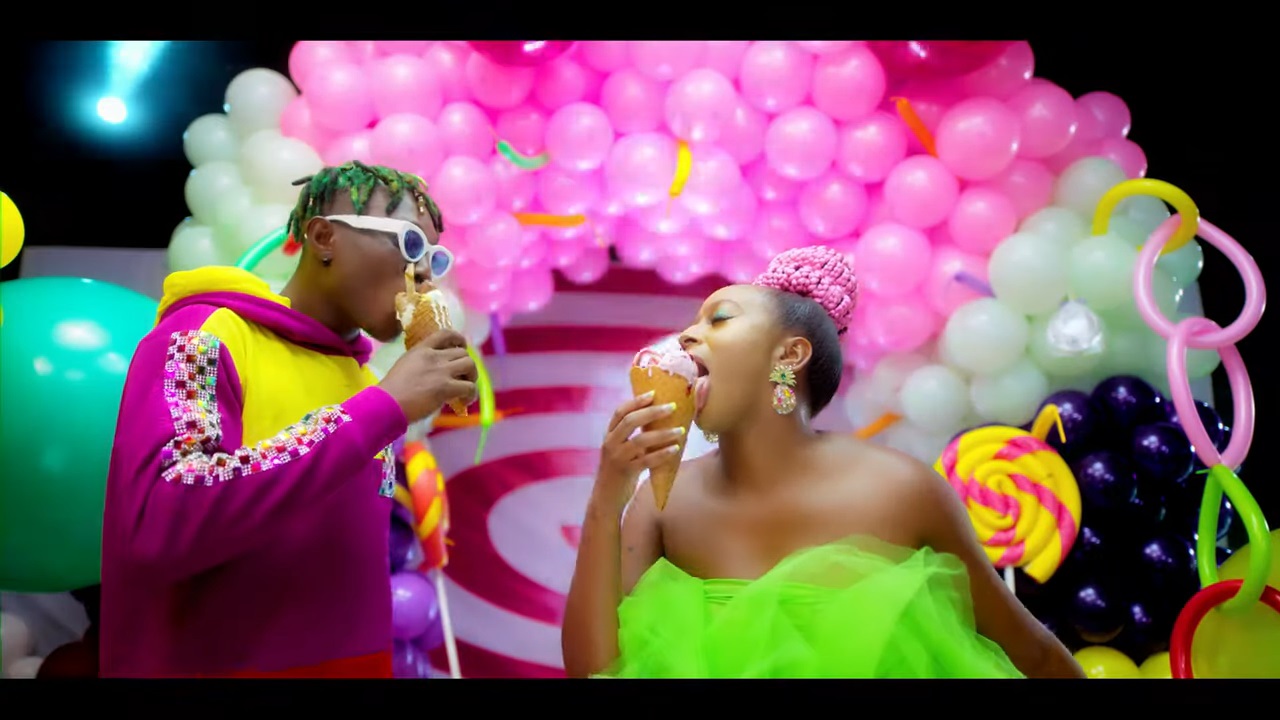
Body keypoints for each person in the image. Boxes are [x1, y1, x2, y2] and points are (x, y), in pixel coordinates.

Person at [562, 245, 1084, 679]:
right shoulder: (662, 501)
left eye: (719, 318)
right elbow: (592, 670)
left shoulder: (902, 490)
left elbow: (1032, 654)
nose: (687, 336)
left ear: (789, 356)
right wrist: (608, 495)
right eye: (693, 324)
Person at [100, 161, 477, 678]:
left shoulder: (365, 383)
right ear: (324, 237)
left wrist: (380, 407)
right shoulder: (201, 337)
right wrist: (380, 411)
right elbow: (164, 516)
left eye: (435, 257)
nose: (424, 275)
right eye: (410, 244)